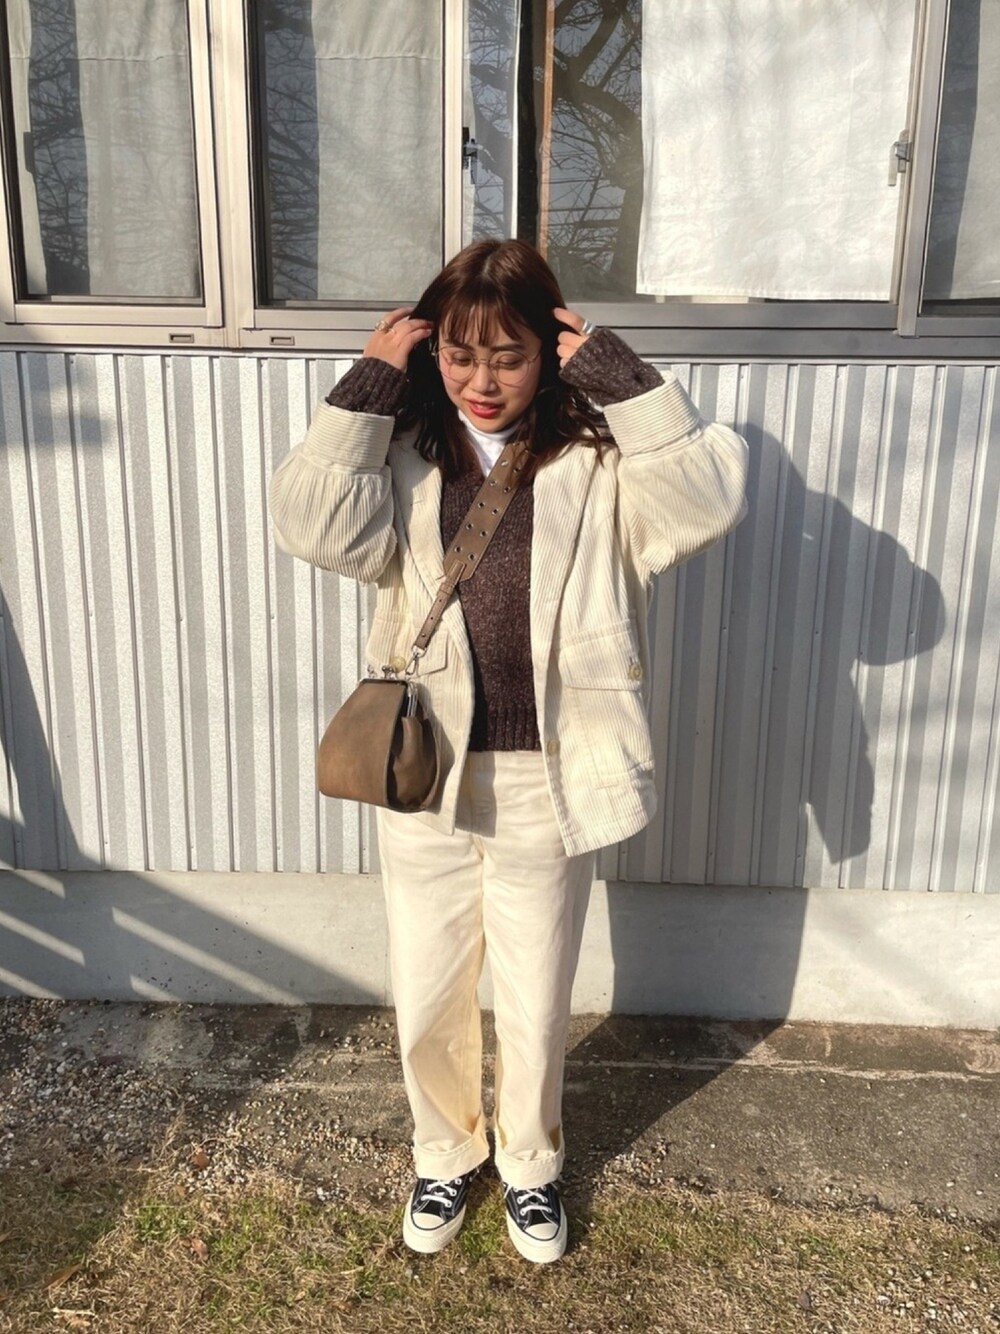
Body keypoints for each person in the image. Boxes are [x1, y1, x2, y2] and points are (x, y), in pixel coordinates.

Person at [269, 239, 748, 1264]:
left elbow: (704, 507)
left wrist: (623, 380)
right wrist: (363, 391)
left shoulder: (598, 460)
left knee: (533, 990)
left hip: (548, 772)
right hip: (424, 768)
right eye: (459, 355)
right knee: (428, 984)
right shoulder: (403, 451)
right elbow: (312, 530)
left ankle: (530, 1164)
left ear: (550, 351)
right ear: (430, 351)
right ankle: (445, 1150)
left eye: (509, 356)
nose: (481, 381)